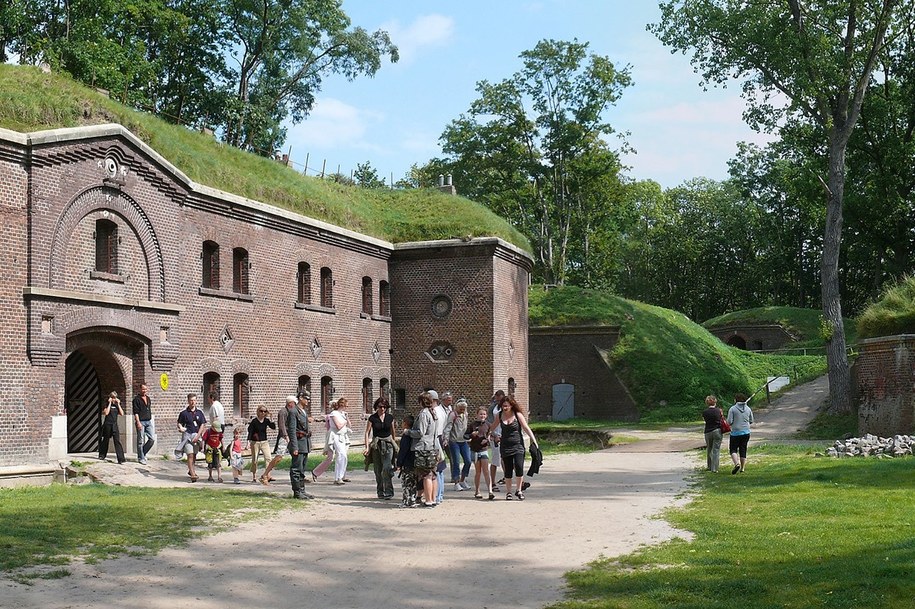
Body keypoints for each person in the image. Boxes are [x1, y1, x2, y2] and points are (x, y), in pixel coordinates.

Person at [496, 395, 539, 500]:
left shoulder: (517, 414)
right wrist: (490, 435)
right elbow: (492, 426)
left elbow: (526, 427)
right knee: (508, 470)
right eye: (503, 406)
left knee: (519, 466)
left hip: (518, 445)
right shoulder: (499, 415)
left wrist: (534, 440)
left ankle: (519, 490)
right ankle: (508, 492)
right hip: (505, 446)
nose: (504, 408)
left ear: (511, 405)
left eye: (506, 406)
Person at [407, 392, 439, 507]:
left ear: (421, 402)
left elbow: (421, 432)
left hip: (424, 448)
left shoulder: (424, 414)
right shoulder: (433, 413)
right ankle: (434, 498)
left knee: (426, 475)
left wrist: (408, 432)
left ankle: (429, 500)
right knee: (433, 474)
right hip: (433, 447)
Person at [263, 393, 300, 484]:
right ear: (290, 403)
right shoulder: (283, 411)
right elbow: (281, 425)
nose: (295, 405)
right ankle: (265, 474)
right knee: (279, 456)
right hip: (285, 437)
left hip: (292, 436)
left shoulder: (293, 411)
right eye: (294, 403)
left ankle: (299, 476)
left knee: (297, 456)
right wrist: (286, 436)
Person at [363, 397, 396, 499]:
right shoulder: (372, 418)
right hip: (376, 445)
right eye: (380, 407)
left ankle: (389, 491)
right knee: (378, 470)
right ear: (376, 407)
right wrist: (367, 447)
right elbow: (367, 432)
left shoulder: (390, 417)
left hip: (388, 445)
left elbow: (393, 432)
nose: (382, 409)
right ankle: (380, 491)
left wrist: (394, 444)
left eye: (384, 407)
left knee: (387, 468)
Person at [287, 394, 315, 500]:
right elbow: (292, 430)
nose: (308, 401)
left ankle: (302, 490)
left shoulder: (303, 411)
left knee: (302, 469)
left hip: (304, 443)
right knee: (296, 469)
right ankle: (297, 492)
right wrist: (294, 447)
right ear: (300, 399)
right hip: (298, 444)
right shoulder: (294, 412)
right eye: (306, 399)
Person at [175, 393, 206, 482]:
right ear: (188, 401)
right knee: (190, 455)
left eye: (194, 400)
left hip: (196, 436)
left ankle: (191, 470)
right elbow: (179, 422)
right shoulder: (184, 413)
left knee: (195, 455)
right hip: (187, 436)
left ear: (196, 401)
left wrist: (198, 435)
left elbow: (202, 424)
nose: (193, 402)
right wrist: (180, 427)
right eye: (191, 400)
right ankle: (193, 474)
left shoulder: (199, 413)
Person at [445, 398, 472, 491]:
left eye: (464, 409)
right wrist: (446, 439)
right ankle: (456, 482)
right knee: (456, 462)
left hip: (463, 441)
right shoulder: (453, 415)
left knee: (468, 461)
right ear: (457, 407)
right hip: (454, 441)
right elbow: (448, 427)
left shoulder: (465, 414)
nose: (462, 410)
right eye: (460, 408)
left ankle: (462, 480)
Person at [468, 406, 494, 500]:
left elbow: (491, 436)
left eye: (484, 414)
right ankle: (477, 491)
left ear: (486, 415)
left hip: (484, 450)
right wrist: (472, 435)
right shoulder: (472, 425)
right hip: (475, 450)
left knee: (486, 471)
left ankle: (490, 491)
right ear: (477, 415)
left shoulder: (488, 425)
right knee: (478, 472)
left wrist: (488, 441)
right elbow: (466, 435)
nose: (482, 416)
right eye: (480, 414)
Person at [247, 406, 276, 484]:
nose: (263, 413)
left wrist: (271, 419)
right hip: (255, 442)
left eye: (264, 411)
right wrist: (248, 442)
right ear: (258, 411)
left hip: (264, 442)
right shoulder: (254, 421)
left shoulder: (266, 420)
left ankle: (267, 475)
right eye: (261, 411)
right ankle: (254, 476)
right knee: (255, 460)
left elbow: (273, 427)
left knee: (268, 458)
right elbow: (250, 431)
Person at [727, 393, 754, 474]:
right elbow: (751, 420)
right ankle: (742, 468)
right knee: (743, 449)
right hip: (746, 432)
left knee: (733, 449)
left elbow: (729, 421)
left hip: (735, 433)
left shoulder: (732, 409)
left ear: (736, 400)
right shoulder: (748, 409)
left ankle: (736, 464)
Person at [327, 398, 352, 485]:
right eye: (346, 406)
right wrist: (345, 421)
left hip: (343, 436)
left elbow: (349, 425)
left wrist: (347, 417)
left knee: (344, 457)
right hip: (336, 436)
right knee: (341, 455)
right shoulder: (334, 414)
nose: (347, 408)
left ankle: (342, 476)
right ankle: (338, 477)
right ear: (342, 405)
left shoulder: (343, 414)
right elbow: (338, 426)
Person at [396, 414, 417, 508]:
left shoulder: (406, 436)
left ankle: (406, 501)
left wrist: (399, 463)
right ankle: (412, 500)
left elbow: (403, 450)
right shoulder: (414, 435)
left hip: (407, 462)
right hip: (414, 460)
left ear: (405, 423)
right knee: (413, 482)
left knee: (406, 482)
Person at [430, 390, 447, 504]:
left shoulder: (434, 412)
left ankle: (437, 495)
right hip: (440, 438)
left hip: (435, 439)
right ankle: (440, 494)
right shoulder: (442, 410)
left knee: (436, 470)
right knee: (440, 470)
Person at [99, 391, 126, 464]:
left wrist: (119, 404)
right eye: (112, 398)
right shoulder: (106, 404)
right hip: (107, 424)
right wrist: (110, 403)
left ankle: (121, 459)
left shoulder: (117, 405)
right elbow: (106, 413)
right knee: (105, 440)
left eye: (115, 398)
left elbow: (122, 413)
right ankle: (102, 455)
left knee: (117, 441)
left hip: (114, 424)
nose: (114, 399)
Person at [487, 390, 506, 491]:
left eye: (500, 400)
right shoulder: (492, 408)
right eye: (497, 400)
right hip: (495, 436)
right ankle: (493, 483)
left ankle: (506, 477)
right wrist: (493, 435)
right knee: (495, 459)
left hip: (505, 435)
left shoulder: (507, 407)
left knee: (505, 458)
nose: (498, 402)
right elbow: (489, 422)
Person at [132, 384, 155, 464]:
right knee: (140, 440)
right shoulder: (136, 399)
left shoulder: (148, 398)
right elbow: (136, 412)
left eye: (146, 389)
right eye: (143, 389)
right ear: (140, 389)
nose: (144, 391)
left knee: (152, 439)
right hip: (141, 421)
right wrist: (138, 422)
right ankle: (141, 458)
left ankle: (142, 453)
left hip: (148, 421)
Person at [702, 395, 724, 473]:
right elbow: (721, 419)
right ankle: (714, 468)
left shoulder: (705, 412)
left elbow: (705, 420)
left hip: (708, 431)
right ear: (715, 402)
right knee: (716, 450)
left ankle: (709, 466)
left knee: (709, 449)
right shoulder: (719, 411)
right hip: (717, 431)